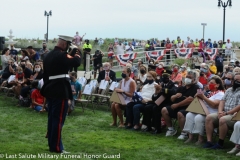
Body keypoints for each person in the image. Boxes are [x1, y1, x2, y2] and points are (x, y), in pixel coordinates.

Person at [40, 35, 81, 153]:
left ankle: (52, 145)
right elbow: (76, 61)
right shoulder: (61, 55)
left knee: (52, 118)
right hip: (60, 90)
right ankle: (57, 147)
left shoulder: (48, 55)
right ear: (64, 44)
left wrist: (71, 52)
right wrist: (77, 51)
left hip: (50, 89)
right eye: (68, 45)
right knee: (58, 120)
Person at [183, 76, 225, 145]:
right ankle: (190, 137)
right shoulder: (208, 92)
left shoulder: (221, 94)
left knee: (198, 117)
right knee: (189, 115)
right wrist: (197, 96)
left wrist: (203, 97)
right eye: (209, 82)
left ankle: (200, 138)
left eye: (212, 83)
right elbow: (200, 100)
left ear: (217, 85)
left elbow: (214, 105)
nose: (209, 84)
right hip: (202, 110)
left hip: (211, 113)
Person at [203, 73, 240, 149]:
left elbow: (239, 106)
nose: (236, 81)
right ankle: (209, 141)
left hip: (234, 114)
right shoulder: (229, 90)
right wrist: (220, 112)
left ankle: (220, 143)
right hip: (224, 112)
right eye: (235, 79)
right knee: (209, 117)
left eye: (238, 80)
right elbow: (222, 101)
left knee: (223, 120)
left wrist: (226, 113)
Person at [162, 71, 199, 139]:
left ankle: (184, 133)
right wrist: (175, 96)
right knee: (164, 110)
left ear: (194, 79)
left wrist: (178, 104)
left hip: (189, 109)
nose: (187, 79)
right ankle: (171, 129)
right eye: (187, 77)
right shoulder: (181, 88)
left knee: (180, 113)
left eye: (190, 77)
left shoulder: (196, 87)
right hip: (176, 106)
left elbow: (190, 99)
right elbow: (172, 99)